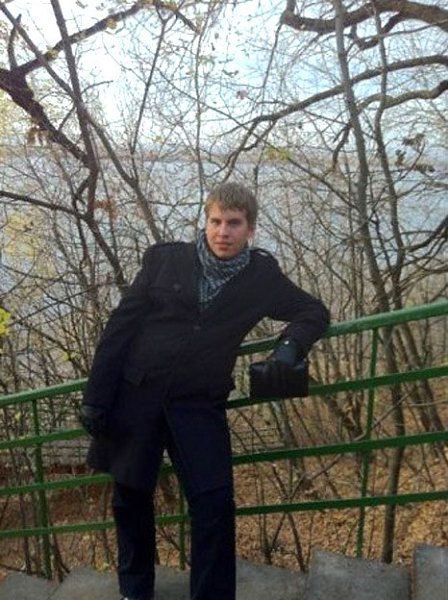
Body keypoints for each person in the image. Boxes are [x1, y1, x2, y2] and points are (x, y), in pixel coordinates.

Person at [80, 182, 330, 600]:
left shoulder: (261, 277)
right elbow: (120, 327)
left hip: (198, 404)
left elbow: (313, 310)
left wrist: (289, 348)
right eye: (215, 221)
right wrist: (95, 396)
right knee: (131, 497)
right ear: (205, 221)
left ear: (250, 228)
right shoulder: (166, 260)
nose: (223, 232)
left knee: (214, 503)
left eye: (234, 223)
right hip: (137, 395)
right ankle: (134, 591)